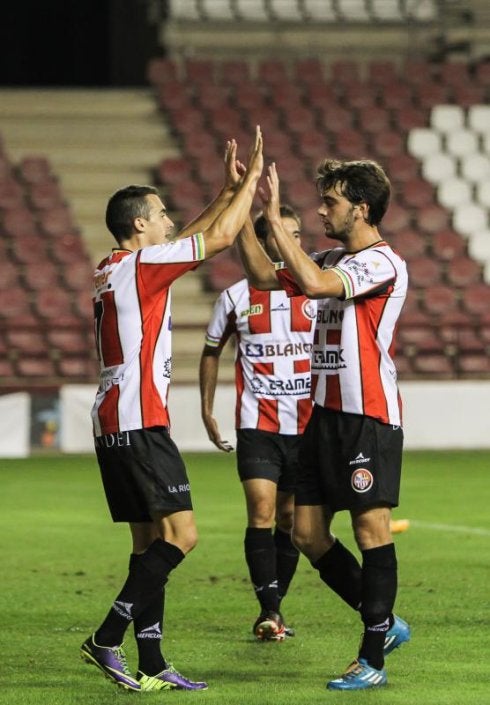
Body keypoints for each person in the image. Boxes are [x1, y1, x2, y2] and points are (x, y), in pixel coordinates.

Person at [80, 128, 263, 692]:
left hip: (113, 420)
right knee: (182, 535)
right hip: (139, 420)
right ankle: (107, 638)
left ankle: (153, 662)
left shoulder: (114, 267)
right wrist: (252, 178)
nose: (167, 221)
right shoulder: (141, 268)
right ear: (139, 225)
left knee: (147, 544)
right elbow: (222, 238)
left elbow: (190, 235)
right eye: (159, 215)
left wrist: (223, 191)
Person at [237, 159, 410, 690]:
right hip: (324, 418)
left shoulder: (382, 263)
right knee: (308, 534)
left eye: (330, 201)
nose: (319, 210)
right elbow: (264, 276)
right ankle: (384, 620)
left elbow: (311, 285)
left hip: (368, 420)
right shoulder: (334, 257)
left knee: (368, 530)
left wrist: (272, 210)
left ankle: (372, 657)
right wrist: (245, 210)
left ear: (361, 208)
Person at [199, 206, 316, 641]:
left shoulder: (318, 293)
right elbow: (211, 351)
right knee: (263, 511)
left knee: (289, 519)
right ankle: (269, 610)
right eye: (282, 234)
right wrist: (207, 410)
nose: (292, 241)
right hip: (258, 425)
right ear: (263, 243)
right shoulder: (235, 297)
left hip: (307, 429)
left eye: (298, 233)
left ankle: (275, 611)